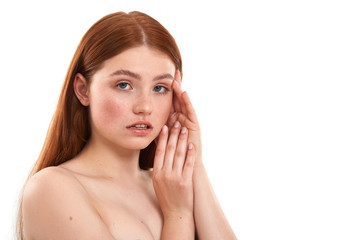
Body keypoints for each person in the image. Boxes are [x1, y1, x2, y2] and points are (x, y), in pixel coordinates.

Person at [17, 11, 236, 240]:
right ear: (83, 89)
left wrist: (192, 159)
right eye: (124, 85)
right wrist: (177, 215)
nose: (145, 107)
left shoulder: (172, 185)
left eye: (160, 88)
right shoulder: (52, 189)